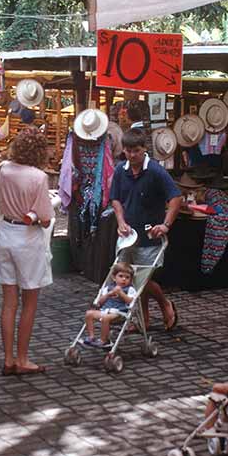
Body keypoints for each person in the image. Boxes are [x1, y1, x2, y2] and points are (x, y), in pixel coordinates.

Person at [108, 127, 182, 331]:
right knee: (128, 279)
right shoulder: (120, 170)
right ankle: (143, 320)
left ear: (144, 149)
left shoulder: (156, 171)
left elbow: (176, 197)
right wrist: (120, 221)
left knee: (141, 280)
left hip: (150, 236)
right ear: (123, 150)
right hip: (127, 236)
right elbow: (115, 199)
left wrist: (166, 225)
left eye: (136, 151)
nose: (132, 155)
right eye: (128, 151)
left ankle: (164, 304)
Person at [0, 127, 55, 376]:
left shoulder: (3, 168)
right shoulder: (38, 177)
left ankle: (8, 358)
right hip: (28, 240)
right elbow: (44, 217)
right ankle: (23, 358)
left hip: (6, 233)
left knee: (9, 302)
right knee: (29, 303)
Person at [83, 262, 137, 347]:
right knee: (89, 313)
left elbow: (130, 302)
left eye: (127, 277)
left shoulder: (130, 289)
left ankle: (104, 340)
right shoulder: (108, 288)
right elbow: (100, 302)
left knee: (105, 318)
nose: (124, 279)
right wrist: (108, 294)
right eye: (121, 276)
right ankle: (91, 336)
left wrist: (121, 293)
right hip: (105, 310)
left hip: (119, 313)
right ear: (114, 277)